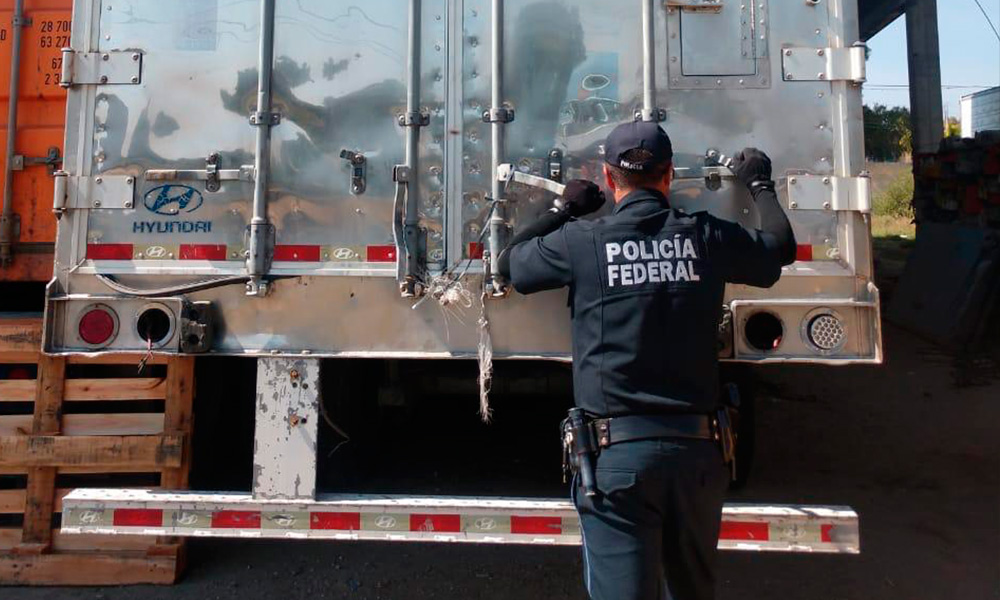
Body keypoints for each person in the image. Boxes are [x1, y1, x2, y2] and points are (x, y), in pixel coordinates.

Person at [497, 121, 797, 600]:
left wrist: (564, 209)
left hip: (616, 461)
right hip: (697, 456)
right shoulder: (705, 236)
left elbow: (510, 264)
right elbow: (780, 249)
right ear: (670, 174)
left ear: (608, 176)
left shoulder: (583, 241)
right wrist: (760, 183)